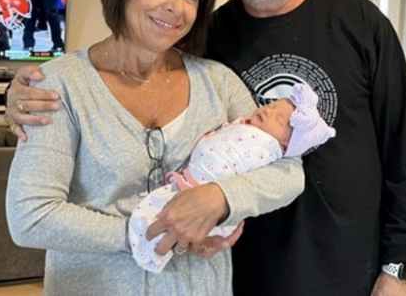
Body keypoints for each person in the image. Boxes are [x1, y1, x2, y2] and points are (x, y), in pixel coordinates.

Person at [5, 0, 406, 296]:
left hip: (344, 266)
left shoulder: (359, 24)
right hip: (240, 267)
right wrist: (21, 92)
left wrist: (399, 265)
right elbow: (36, 203)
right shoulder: (207, 38)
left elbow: (404, 148)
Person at [4, 0, 304, 296]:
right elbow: (30, 215)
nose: (176, 7)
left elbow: (289, 172)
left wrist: (222, 199)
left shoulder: (218, 82)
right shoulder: (60, 86)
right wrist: (150, 229)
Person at [130, 82, 336, 273]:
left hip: (198, 198)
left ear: (284, 145)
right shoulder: (247, 122)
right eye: (271, 105)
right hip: (186, 186)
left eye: (279, 119)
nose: (268, 110)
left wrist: (221, 196)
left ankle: (149, 249)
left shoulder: (266, 146)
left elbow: (290, 177)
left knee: (159, 225)